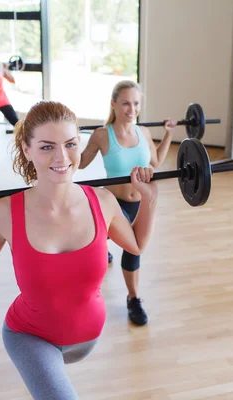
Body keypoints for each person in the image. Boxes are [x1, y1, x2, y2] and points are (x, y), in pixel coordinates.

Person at [0, 100, 158, 399]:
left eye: (70, 144)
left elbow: (137, 245)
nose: (62, 157)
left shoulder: (103, 202)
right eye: (46, 147)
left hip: (88, 335)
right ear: (27, 151)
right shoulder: (5, 212)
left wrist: (150, 200)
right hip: (31, 335)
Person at [78, 80, 176, 326]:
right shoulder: (102, 135)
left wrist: (168, 134)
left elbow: (155, 162)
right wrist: (68, 142)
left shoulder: (143, 132)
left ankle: (133, 298)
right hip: (113, 205)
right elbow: (79, 163)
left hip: (139, 204)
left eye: (136, 103)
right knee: (119, 245)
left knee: (133, 248)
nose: (131, 109)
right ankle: (104, 252)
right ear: (113, 104)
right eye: (125, 103)